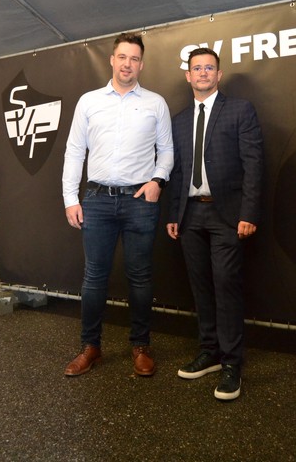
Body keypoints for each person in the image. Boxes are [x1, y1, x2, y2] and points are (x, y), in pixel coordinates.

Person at [63, 32, 173, 377]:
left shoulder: (155, 103)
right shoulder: (89, 101)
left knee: (140, 277)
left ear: (142, 64)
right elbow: (74, 151)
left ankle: (140, 346)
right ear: (112, 60)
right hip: (96, 200)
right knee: (94, 277)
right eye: (122, 57)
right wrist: (70, 198)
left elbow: (167, 151)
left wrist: (158, 181)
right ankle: (90, 347)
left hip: (140, 202)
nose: (128, 64)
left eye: (134, 59)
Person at [166, 47, 263, 400]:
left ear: (219, 75)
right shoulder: (179, 120)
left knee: (225, 286)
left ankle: (232, 363)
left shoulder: (239, 110)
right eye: (197, 68)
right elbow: (178, 172)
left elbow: (253, 164)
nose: (203, 73)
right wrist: (174, 214)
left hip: (227, 215)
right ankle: (210, 352)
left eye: (209, 67)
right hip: (190, 214)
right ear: (188, 76)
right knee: (201, 287)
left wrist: (248, 213)